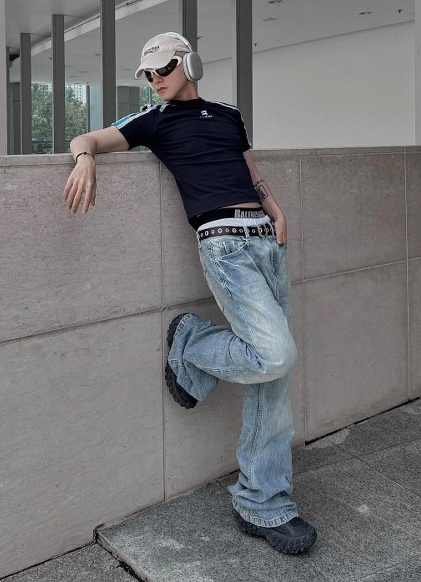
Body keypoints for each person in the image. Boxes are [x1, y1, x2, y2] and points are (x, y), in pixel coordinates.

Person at [63, 32, 317, 555]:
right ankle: (192, 343)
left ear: (190, 63)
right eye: (148, 73)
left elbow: (248, 170)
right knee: (275, 354)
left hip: (266, 242)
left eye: (164, 68)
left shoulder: (228, 115)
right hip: (224, 245)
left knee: (274, 380)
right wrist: (84, 158)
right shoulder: (153, 121)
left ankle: (263, 501)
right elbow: (87, 139)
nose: (155, 79)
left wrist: (276, 211)